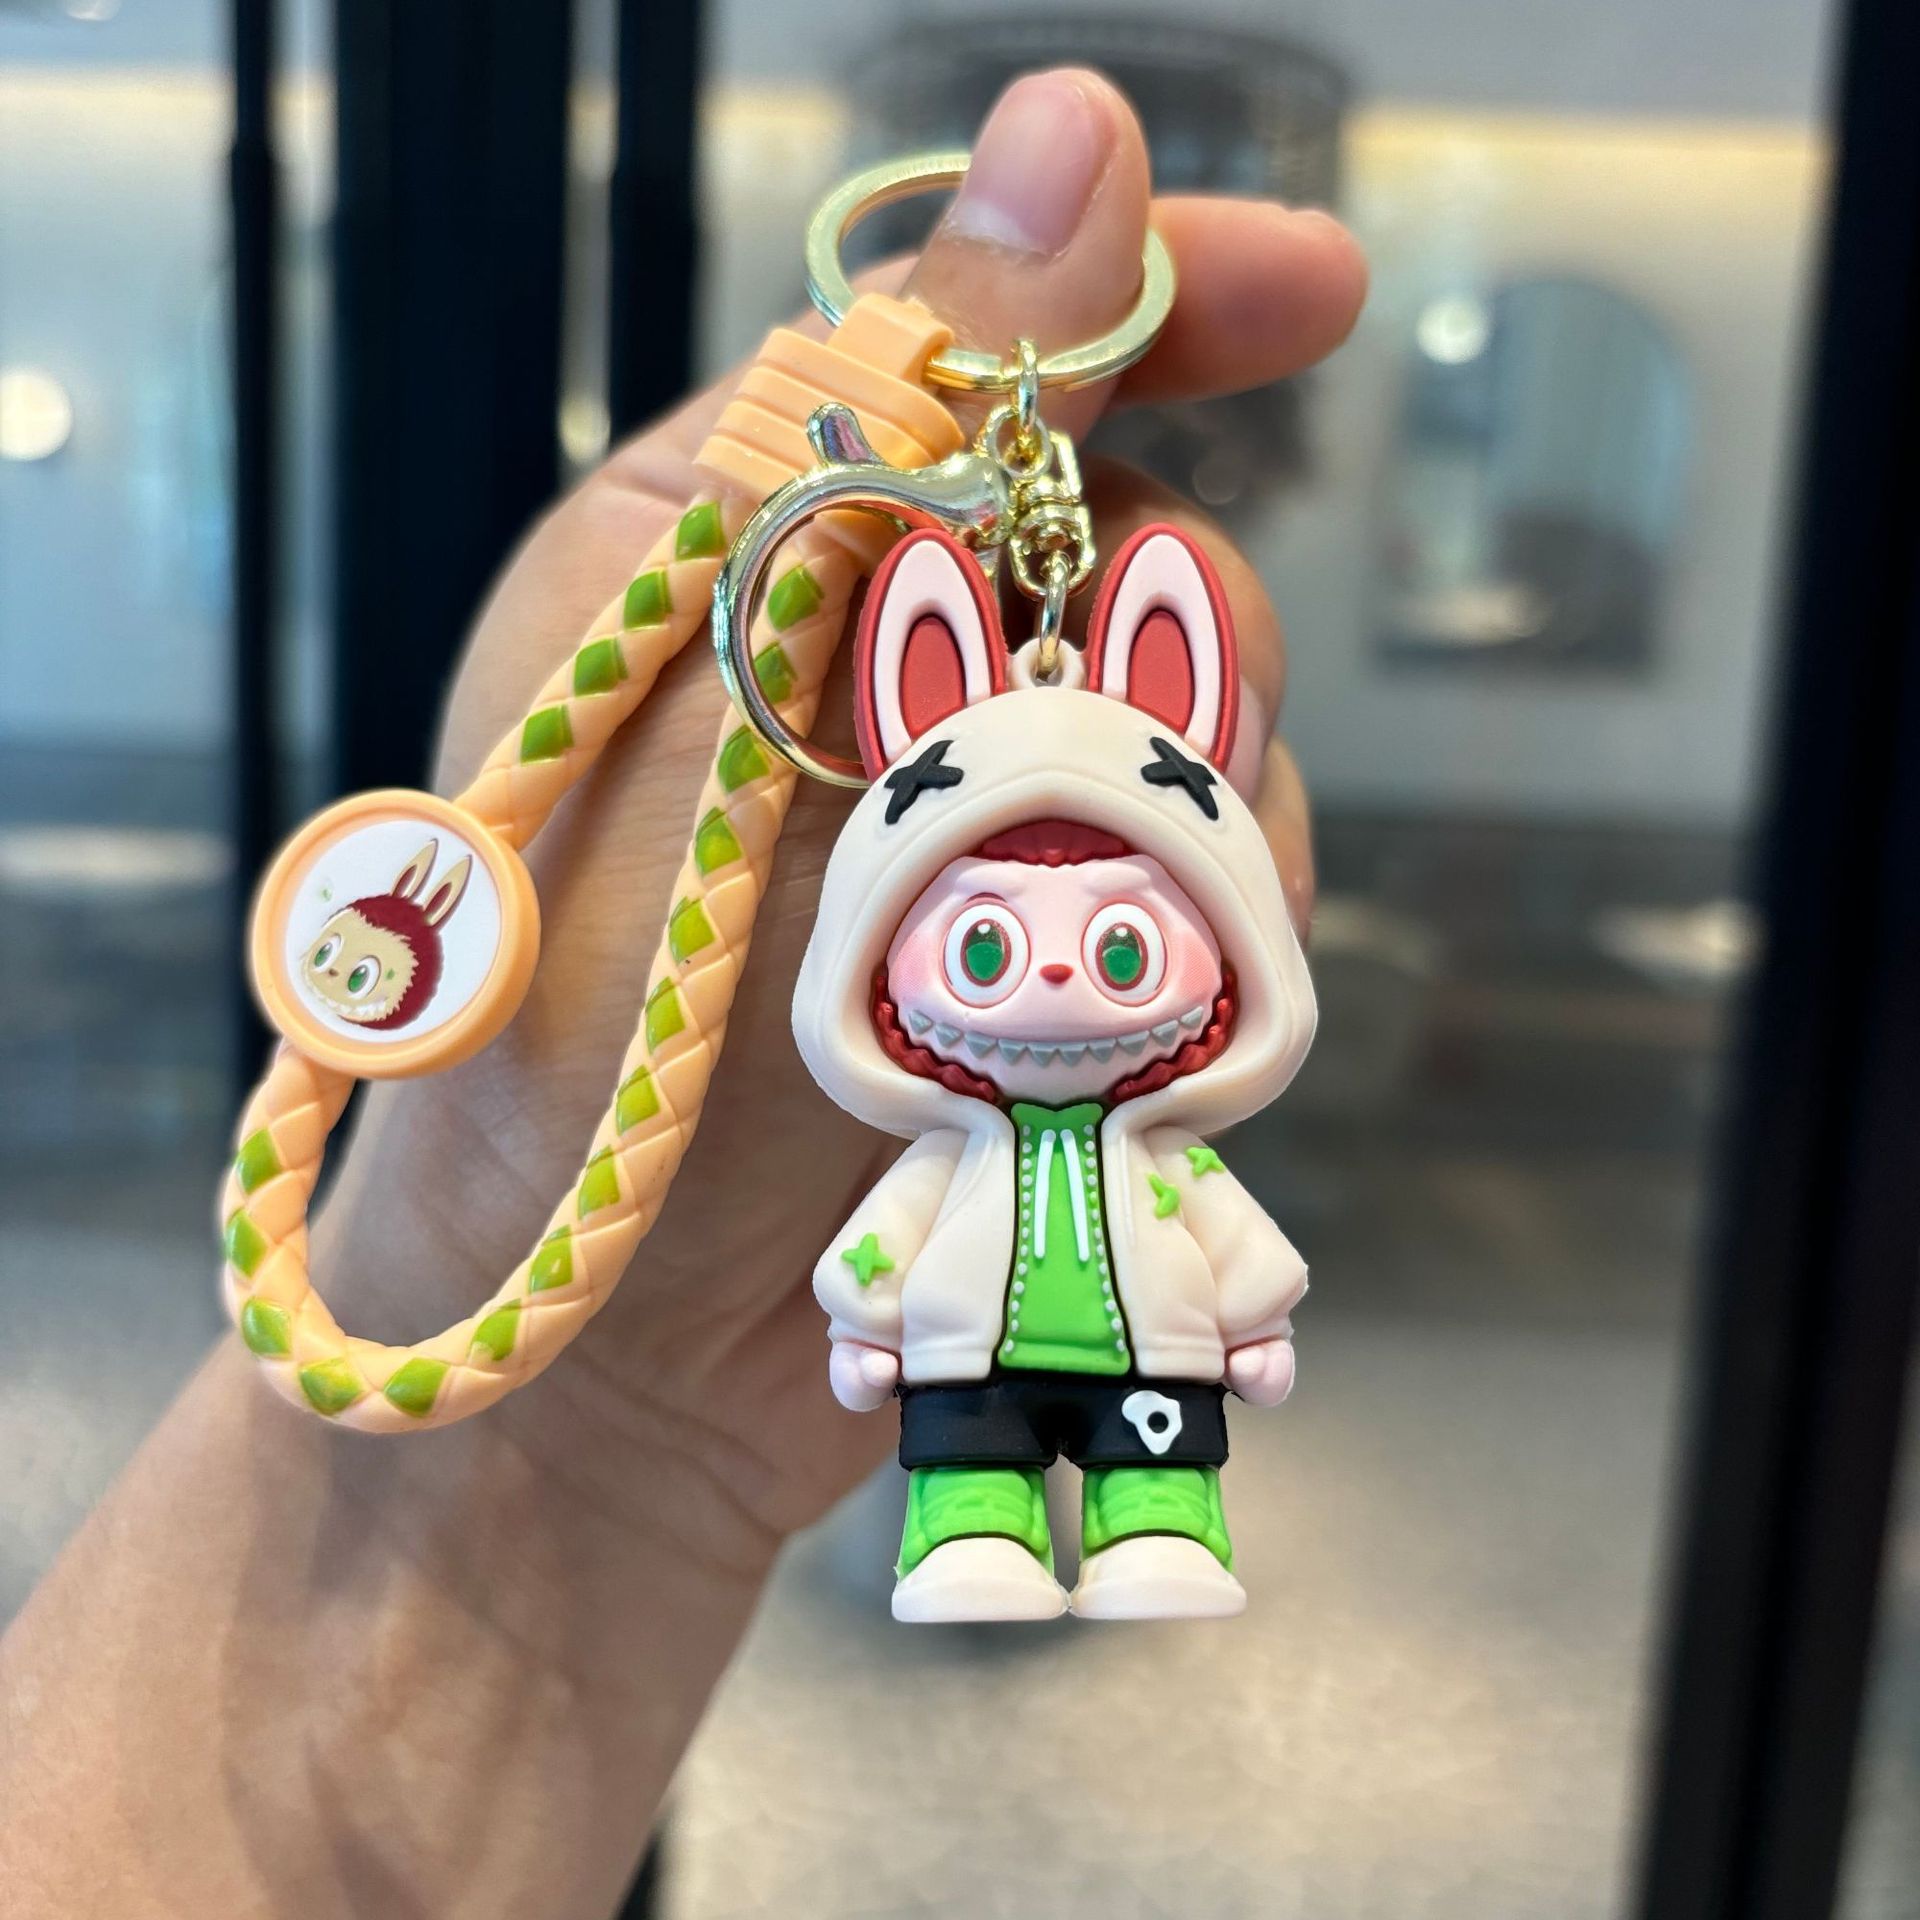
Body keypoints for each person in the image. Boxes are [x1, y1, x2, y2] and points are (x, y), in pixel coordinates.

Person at [0, 68, 1365, 1917]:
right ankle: (981, 1525)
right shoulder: (946, 1140)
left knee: (1151, 1450)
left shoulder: (1124, 1152)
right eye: (986, 943)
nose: (1054, 974)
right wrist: (814, 1341)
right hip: (916, 1359)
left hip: (1085, 1355)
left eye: (1123, 948)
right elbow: (881, 1255)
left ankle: (1152, 1527)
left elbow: (1218, 1238)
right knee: (969, 1468)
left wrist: (1244, 1318)